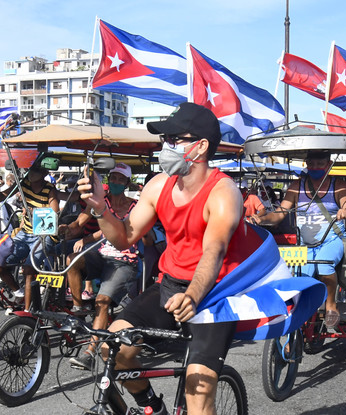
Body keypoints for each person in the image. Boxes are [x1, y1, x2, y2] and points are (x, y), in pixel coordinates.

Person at [76, 102, 267, 415]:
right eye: (166, 140)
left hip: (214, 295)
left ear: (200, 146)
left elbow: (214, 250)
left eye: (175, 139)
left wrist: (193, 294)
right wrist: (100, 207)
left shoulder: (224, 192)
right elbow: (124, 236)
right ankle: (153, 407)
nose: (167, 146)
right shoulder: (158, 185)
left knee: (198, 393)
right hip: (170, 286)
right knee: (112, 348)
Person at [250, 150, 346, 329]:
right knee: (297, 276)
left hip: (331, 239)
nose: (315, 167)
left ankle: (331, 305)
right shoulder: (296, 186)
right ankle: (296, 322)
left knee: (324, 265)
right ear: (306, 164)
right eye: (311, 163)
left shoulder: (339, 185)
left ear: (328, 165)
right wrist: (262, 219)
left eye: (319, 164)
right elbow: (279, 214)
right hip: (305, 245)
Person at [68, 163, 140, 367]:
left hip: (124, 260)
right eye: (113, 178)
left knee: (102, 300)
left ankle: (89, 353)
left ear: (126, 183)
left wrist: (91, 236)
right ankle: (78, 309)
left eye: (120, 179)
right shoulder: (100, 201)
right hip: (101, 256)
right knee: (71, 259)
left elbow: (121, 232)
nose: (115, 182)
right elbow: (80, 222)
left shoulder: (135, 206)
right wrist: (67, 227)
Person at [0, 156, 61, 309]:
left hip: (44, 235)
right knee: (0, 265)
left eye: (34, 170)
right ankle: (18, 292)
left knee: (28, 270)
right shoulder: (23, 184)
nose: (30, 172)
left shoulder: (49, 189)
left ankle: (27, 310)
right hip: (25, 233)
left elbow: (54, 212)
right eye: (30, 169)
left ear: (43, 173)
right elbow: (0, 197)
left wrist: (36, 212)